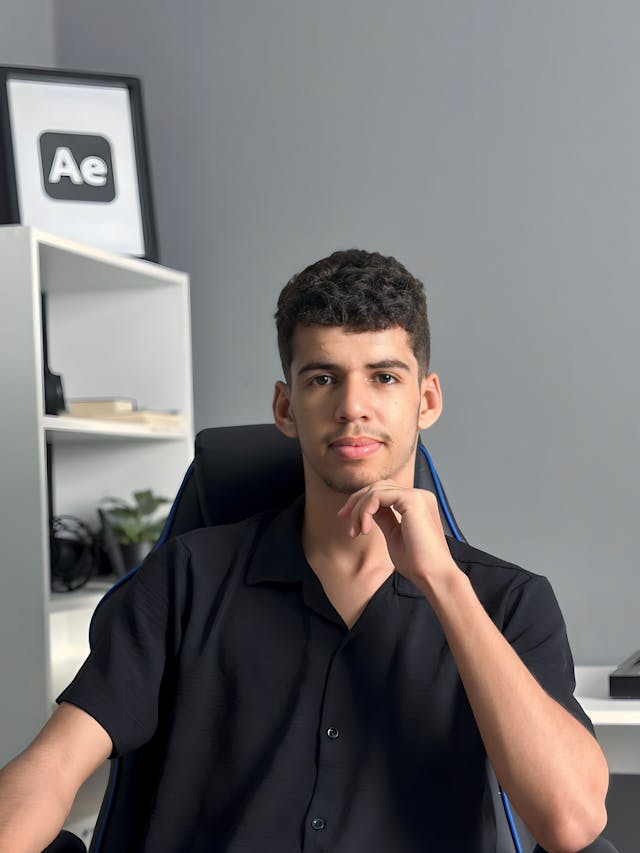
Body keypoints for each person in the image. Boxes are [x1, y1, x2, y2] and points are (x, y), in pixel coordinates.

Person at [0, 249, 608, 853]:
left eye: (384, 376)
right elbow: (52, 767)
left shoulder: (508, 602)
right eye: (323, 378)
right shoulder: (187, 578)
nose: (352, 407)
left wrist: (444, 583)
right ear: (286, 408)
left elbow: (571, 822)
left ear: (426, 400)